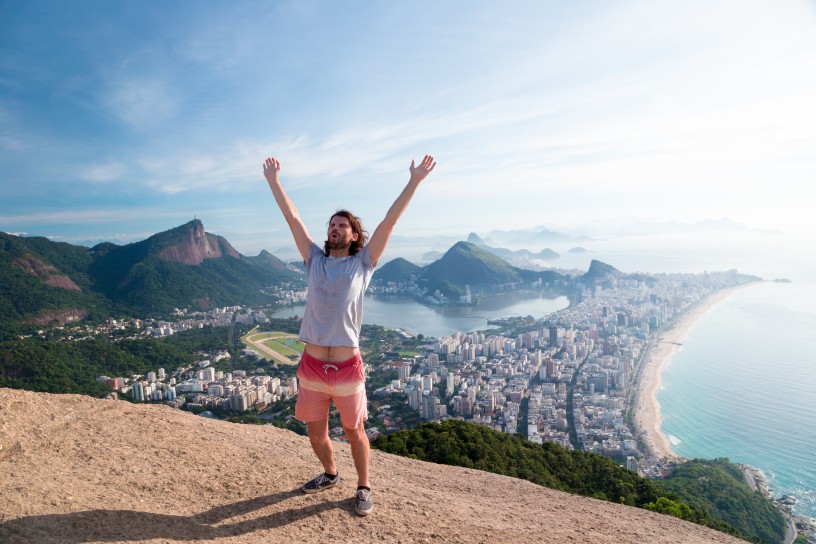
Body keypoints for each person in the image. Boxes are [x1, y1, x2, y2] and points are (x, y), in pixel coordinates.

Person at [263, 154, 436, 516]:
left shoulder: (363, 263)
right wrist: (275, 181)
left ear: (354, 235)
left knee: (355, 431)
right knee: (315, 433)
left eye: (342, 225)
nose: (334, 229)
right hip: (311, 367)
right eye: (331, 224)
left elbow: (390, 220)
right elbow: (292, 218)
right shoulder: (314, 260)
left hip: (346, 368)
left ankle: (363, 486)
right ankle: (330, 473)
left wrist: (414, 180)